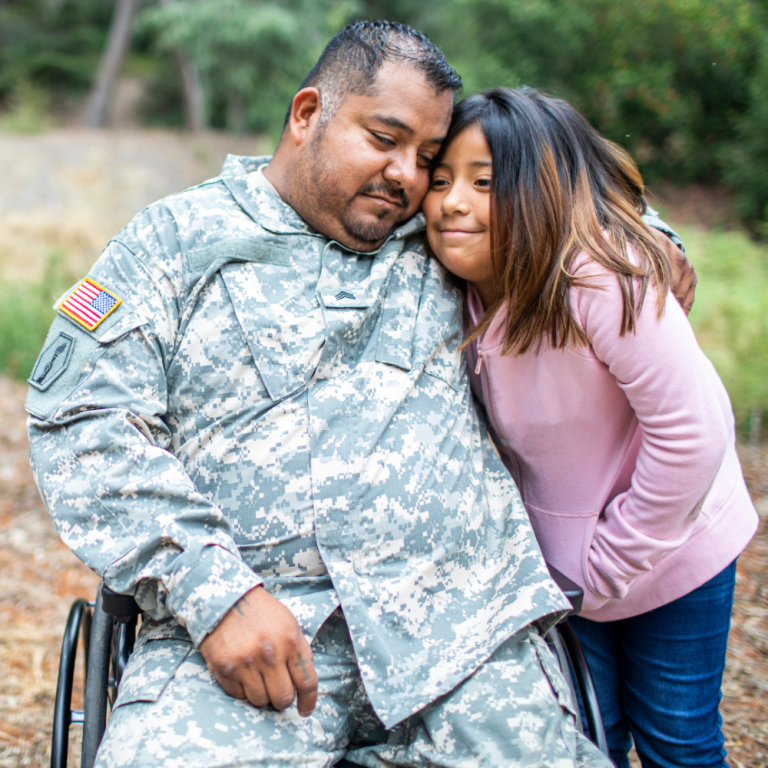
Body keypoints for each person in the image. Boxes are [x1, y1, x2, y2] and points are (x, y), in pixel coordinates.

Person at [26, 22, 617, 768]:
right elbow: (82, 420)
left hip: (463, 635)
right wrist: (214, 591)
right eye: (384, 139)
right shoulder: (172, 243)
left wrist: (650, 241)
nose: (407, 176)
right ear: (307, 113)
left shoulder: (445, 234)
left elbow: (556, 202)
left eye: (427, 159)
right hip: (251, 636)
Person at [422, 86, 758, 768]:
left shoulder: (602, 278)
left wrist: (607, 565)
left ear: (542, 192)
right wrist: (575, 575)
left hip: (672, 545)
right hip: (568, 574)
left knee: (677, 738)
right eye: (441, 180)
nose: (453, 201)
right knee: (588, 739)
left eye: (484, 182)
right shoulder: (452, 285)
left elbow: (692, 434)